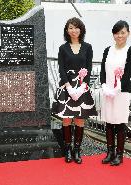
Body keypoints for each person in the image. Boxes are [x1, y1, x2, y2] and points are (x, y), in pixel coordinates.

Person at [51, 17, 97, 164]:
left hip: (82, 86)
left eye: (76, 27)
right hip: (67, 87)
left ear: (81, 29)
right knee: (66, 119)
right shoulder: (63, 48)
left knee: (79, 119)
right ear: (67, 30)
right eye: (70, 27)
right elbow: (61, 69)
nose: (74, 30)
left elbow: (89, 69)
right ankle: (67, 149)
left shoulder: (88, 47)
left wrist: (83, 86)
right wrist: (69, 87)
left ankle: (77, 150)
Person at [100, 20, 131, 166]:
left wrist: (117, 88)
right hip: (108, 91)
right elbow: (103, 70)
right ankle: (110, 152)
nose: (120, 35)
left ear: (128, 33)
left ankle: (119, 155)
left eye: (123, 32)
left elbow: (128, 73)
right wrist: (104, 86)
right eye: (117, 33)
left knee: (120, 123)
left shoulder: (130, 50)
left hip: (122, 92)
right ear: (113, 34)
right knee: (108, 121)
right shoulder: (107, 50)